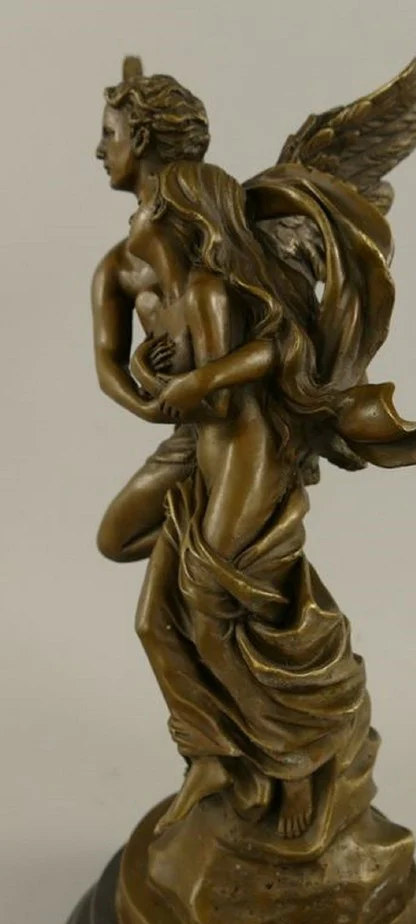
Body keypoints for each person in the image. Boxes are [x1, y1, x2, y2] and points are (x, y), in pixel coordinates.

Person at [123, 160, 416, 839]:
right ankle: (217, 752)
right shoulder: (177, 295)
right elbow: (189, 390)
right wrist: (153, 370)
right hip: (211, 466)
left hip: (247, 460)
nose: (137, 216)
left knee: (214, 613)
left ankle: (296, 758)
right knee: (165, 616)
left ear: (182, 219)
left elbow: (265, 360)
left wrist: (197, 380)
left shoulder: (211, 289)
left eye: (152, 208)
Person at [93, 67, 210, 562]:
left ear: (140, 139)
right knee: (115, 540)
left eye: (109, 134)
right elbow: (107, 364)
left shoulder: (220, 235)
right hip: (189, 431)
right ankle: (210, 559)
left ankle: (216, 560)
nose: (99, 151)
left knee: (118, 541)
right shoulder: (116, 269)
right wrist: (146, 404)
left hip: (239, 427)